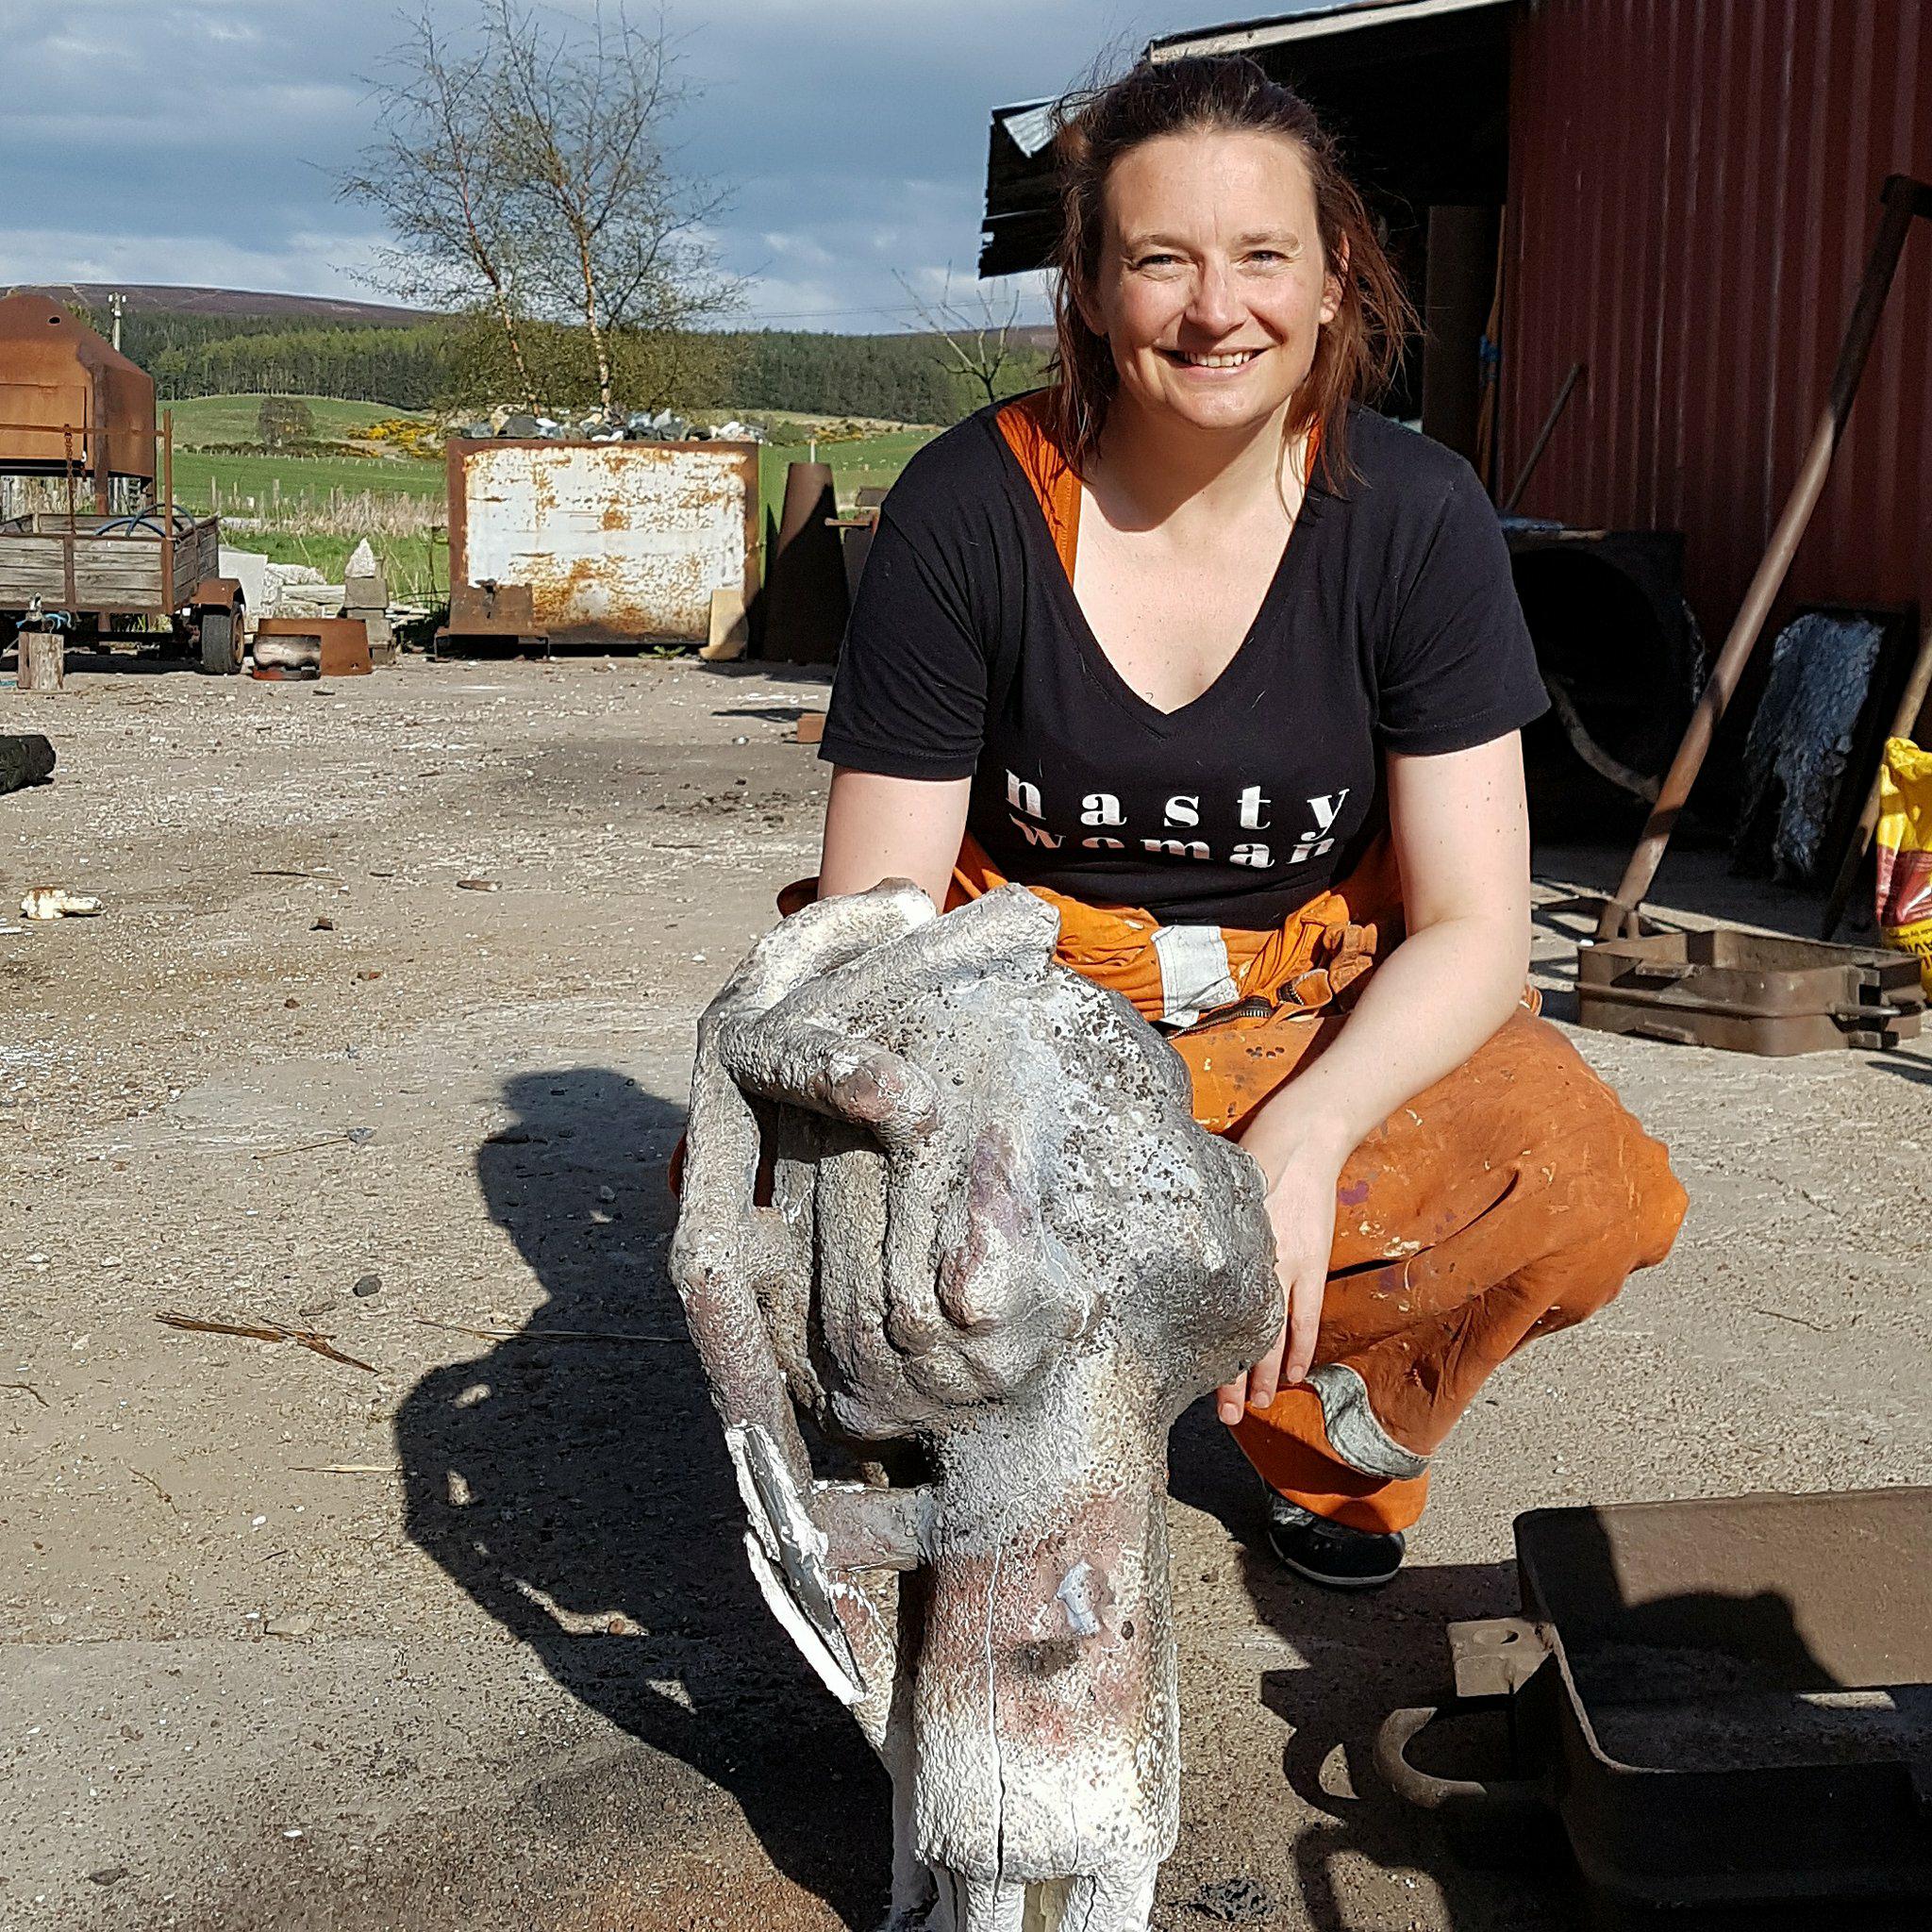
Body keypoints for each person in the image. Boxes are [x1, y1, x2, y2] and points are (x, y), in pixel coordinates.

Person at [810, 55, 1687, 1589]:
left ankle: (1318, 1432)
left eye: (1263, 255)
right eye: (1160, 259)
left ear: (1336, 277)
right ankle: (992, 1429)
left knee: (1572, 1179)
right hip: (1022, 1016)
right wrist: (968, 1153)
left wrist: (1309, 1128)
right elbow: (873, 921)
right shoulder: (968, 509)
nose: (1217, 309)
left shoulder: (1413, 516)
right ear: (1085, 287)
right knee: (783, 1190)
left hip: (1303, 1009)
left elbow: (1481, 928)